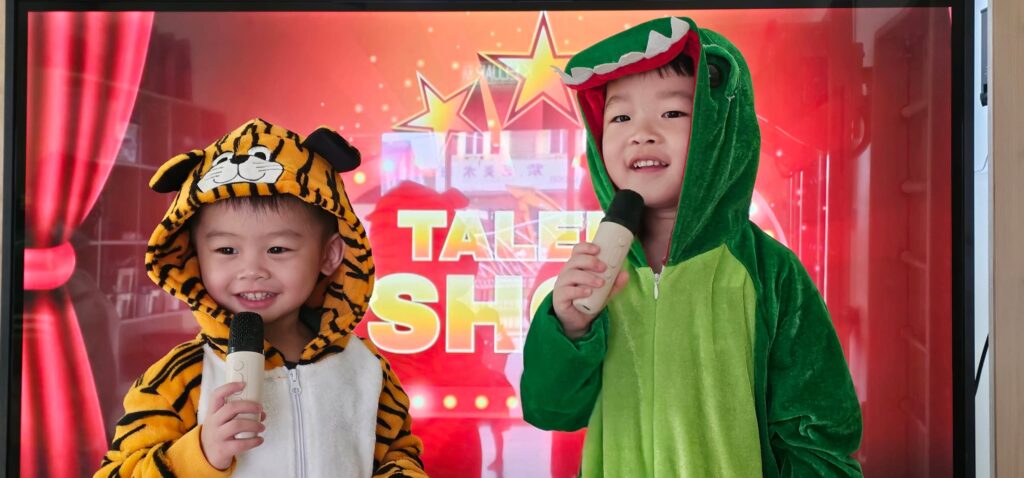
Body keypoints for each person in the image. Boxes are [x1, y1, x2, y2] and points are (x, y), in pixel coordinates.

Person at [520, 17, 863, 477]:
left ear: (718, 128)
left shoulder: (769, 272)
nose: (642, 132)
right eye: (620, 117)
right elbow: (550, 409)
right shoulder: (593, 273)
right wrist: (570, 329)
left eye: (672, 113)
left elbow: (816, 435)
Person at [95, 118, 426, 477]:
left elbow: (399, 455)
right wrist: (200, 452)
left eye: (277, 249)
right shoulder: (178, 379)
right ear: (194, 256)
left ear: (329, 255)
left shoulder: (366, 368)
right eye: (227, 250)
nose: (251, 270)